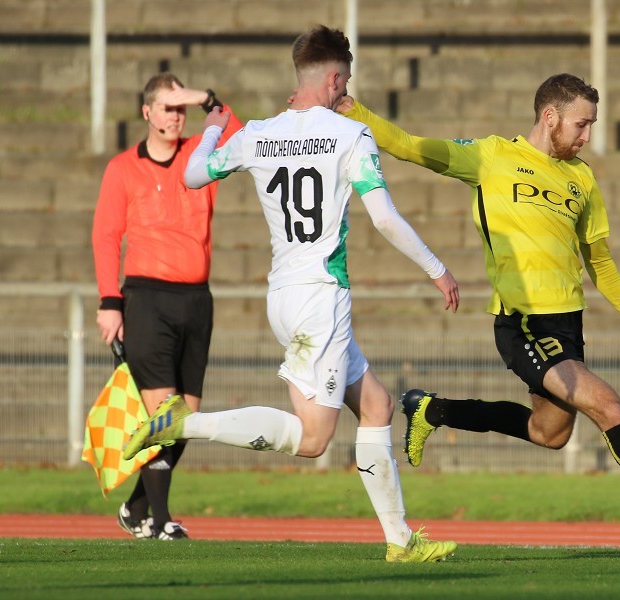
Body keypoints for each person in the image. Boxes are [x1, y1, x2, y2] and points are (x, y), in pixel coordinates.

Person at [335, 73, 620, 557]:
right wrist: (356, 112)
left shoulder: (581, 177)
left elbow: (598, 259)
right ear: (550, 117)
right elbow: (412, 147)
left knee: (550, 434)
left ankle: (431, 409)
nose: (587, 136)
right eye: (581, 125)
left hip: (568, 325)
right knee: (609, 407)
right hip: (523, 323)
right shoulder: (493, 156)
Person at [122, 25, 460, 563]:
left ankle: (401, 542)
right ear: (333, 78)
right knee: (313, 439)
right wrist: (437, 268)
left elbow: (190, 174)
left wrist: (212, 129)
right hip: (322, 299)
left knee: (376, 404)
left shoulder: (259, 132)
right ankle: (184, 423)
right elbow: (385, 219)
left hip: (283, 293)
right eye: (344, 81)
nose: (346, 91)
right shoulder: (350, 135)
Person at [92, 73, 243, 540]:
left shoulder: (202, 155)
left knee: (186, 420)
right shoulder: (122, 168)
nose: (175, 116)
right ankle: (159, 521)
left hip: (196, 300)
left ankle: (135, 508)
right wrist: (109, 302)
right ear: (147, 113)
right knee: (164, 415)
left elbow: (236, 129)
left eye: (181, 108)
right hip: (146, 299)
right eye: (167, 106)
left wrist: (205, 98)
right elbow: (106, 235)